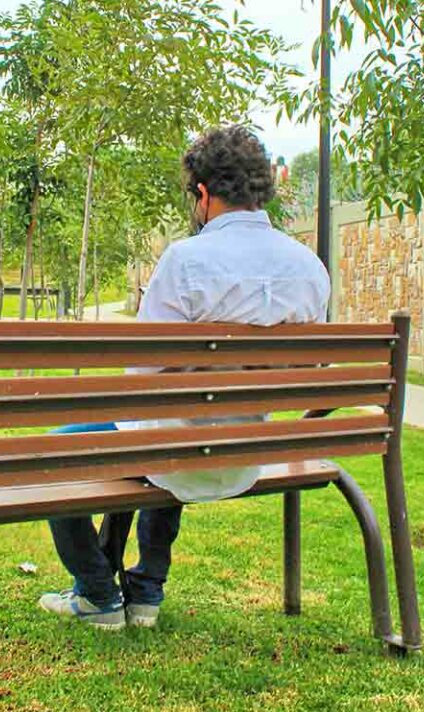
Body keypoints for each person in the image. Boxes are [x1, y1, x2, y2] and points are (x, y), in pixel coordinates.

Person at [39, 125, 331, 630]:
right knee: (170, 426)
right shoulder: (309, 266)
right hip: (245, 454)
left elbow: (142, 373)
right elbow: (310, 369)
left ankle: (97, 593)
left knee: (53, 454)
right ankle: (146, 592)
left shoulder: (185, 260)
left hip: (174, 450)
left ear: (203, 193)